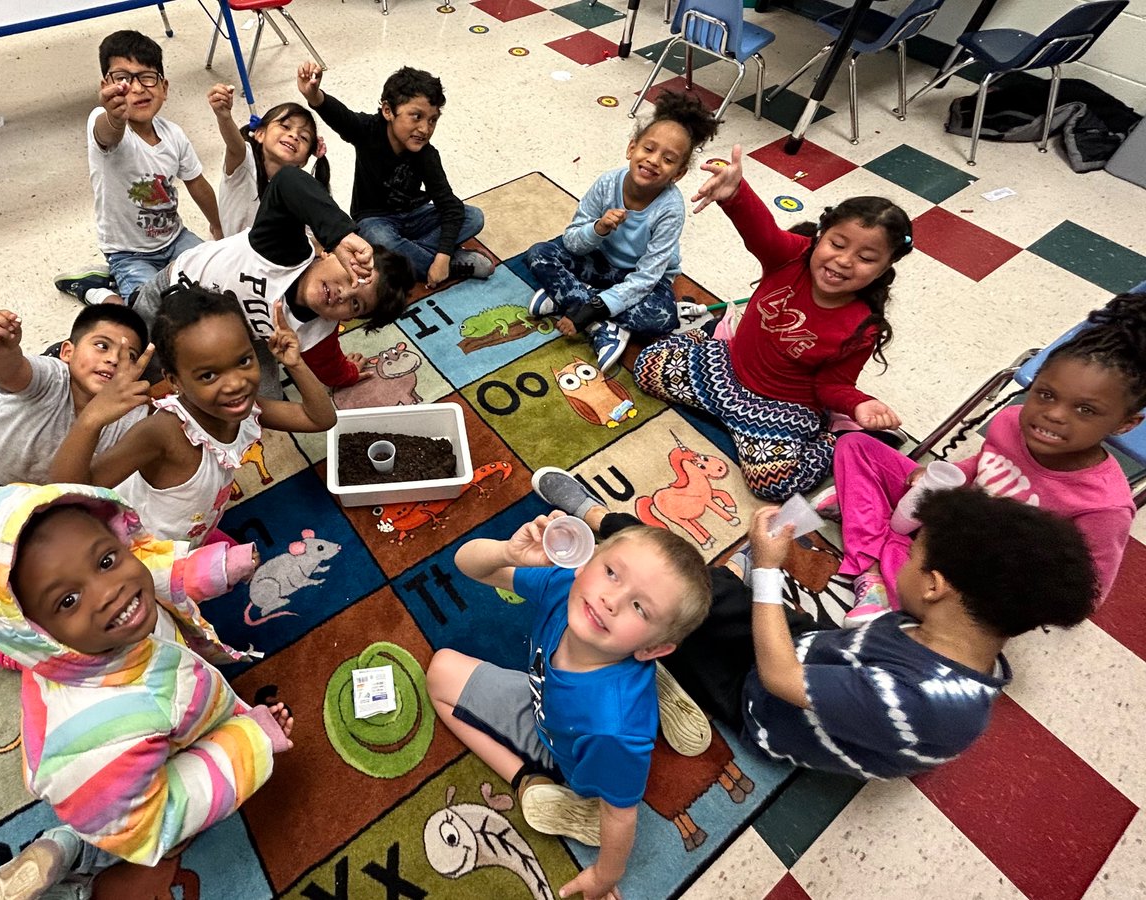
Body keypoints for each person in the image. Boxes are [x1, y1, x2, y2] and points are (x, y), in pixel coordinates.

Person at [530, 468, 1097, 781]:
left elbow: (778, 679)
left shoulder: (926, 701)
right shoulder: (962, 639)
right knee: (689, 576)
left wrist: (771, 576)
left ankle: (666, 675)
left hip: (760, 697)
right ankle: (600, 517)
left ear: (935, 586)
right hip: (806, 646)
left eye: (914, 550)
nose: (904, 552)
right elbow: (857, 650)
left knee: (662, 623)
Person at [0, 483, 293, 898]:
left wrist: (220, 565)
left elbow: (156, 569)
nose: (110, 589)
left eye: (107, 559)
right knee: (164, 842)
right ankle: (74, 858)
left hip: (141, 693)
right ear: (35, 632)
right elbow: (147, 822)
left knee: (27, 647)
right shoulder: (93, 746)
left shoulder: (101, 621)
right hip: (113, 791)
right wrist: (249, 739)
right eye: (69, 599)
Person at [426, 513, 711, 900]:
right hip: (553, 696)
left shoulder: (615, 729)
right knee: (440, 669)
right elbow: (468, 564)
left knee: (445, 685)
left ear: (652, 646)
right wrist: (507, 551)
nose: (610, 600)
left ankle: (527, 779)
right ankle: (654, 677)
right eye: (612, 571)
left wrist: (603, 876)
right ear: (586, 562)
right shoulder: (567, 585)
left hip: (572, 736)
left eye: (640, 608)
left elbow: (621, 812)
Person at [826, 291, 1144, 623]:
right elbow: (984, 465)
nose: (1054, 415)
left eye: (1085, 409)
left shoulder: (1103, 507)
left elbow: (1085, 596)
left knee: (920, 574)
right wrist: (947, 476)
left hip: (973, 574)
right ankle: (869, 528)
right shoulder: (1011, 421)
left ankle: (869, 551)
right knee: (856, 446)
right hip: (950, 515)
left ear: (1125, 424)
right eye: (1046, 395)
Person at [633, 144, 913, 501]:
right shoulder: (792, 255)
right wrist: (735, 193)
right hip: (727, 369)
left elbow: (831, 386)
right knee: (647, 366)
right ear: (820, 237)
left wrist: (859, 404)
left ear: (884, 268)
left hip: (781, 408)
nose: (843, 261)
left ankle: (839, 438)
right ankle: (712, 349)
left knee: (775, 484)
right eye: (837, 244)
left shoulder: (862, 325)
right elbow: (760, 231)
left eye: (866, 257)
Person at [51, 285, 337, 544]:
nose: (236, 383)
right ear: (174, 381)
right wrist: (91, 419)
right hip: (139, 549)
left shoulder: (247, 409)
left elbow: (321, 419)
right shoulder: (164, 432)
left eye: (243, 361)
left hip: (192, 529)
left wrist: (295, 364)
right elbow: (67, 497)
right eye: (209, 375)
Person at [129, 165, 413, 396]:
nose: (343, 294)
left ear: (347, 320)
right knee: (135, 369)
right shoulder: (284, 248)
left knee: (266, 402)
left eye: (355, 305)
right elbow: (287, 180)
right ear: (328, 254)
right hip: (171, 294)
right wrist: (339, 232)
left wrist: (349, 373)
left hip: (242, 338)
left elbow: (331, 369)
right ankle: (120, 293)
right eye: (352, 274)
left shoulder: (317, 333)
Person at [525, 91, 718, 373]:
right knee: (539, 254)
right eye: (648, 149)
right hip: (600, 261)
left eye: (668, 159)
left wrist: (592, 309)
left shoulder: (671, 208)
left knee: (662, 320)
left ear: (678, 173)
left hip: (641, 278)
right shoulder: (607, 183)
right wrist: (598, 229)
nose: (653, 161)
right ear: (631, 149)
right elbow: (572, 241)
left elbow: (648, 277)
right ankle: (593, 312)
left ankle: (570, 299)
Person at [55, 30, 222, 307]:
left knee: (219, 282)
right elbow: (108, 134)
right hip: (128, 253)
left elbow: (197, 182)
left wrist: (217, 225)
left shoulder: (174, 135)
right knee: (147, 315)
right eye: (122, 79)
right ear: (106, 86)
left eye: (147, 77)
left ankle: (123, 282)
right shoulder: (103, 121)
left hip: (175, 237)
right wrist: (115, 116)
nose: (137, 88)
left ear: (164, 88)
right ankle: (97, 289)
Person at [296, 62, 491, 287]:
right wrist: (314, 95)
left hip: (414, 215)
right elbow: (341, 117)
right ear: (388, 111)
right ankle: (446, 264)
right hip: (374, 220)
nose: (425, 129)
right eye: (416, 116)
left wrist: (443, 256)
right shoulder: (369, 130)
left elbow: (450, 206)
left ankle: (406, 255)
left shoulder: (427, 155)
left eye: (432, 120)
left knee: (473, 216)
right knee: (380, 238)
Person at [0, 305, 149, 516]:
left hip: (14, 499)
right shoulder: (51, 376)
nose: (114, 359)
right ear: (67, 352)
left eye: (130, 356)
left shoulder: (131, 419)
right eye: (102, 345)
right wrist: (2, 352)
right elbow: (11, 371)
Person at [208, 86, 330, 236]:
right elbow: (235, 145)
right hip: (237, 255)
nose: (294, 135)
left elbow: (313, 236)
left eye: (304, 137)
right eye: (285, 126)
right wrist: (224, 116)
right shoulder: (245, 163)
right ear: (259, 134)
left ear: (304, 161)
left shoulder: (301, 189)